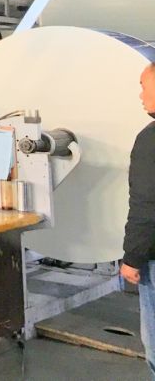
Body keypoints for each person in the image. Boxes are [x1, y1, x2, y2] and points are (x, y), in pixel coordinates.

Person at [123, 62, 155, 375]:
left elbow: (146, 207)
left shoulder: (150, 140)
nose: (140, 95)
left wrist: (132, 258)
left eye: (144, 86)